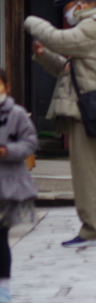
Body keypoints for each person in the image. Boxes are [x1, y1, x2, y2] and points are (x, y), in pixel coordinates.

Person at [23, 0, 96, 248]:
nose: (67, 14)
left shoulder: (95, 27)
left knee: (87, 176)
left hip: (86, 111)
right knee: (91, 175)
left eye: (67, 9)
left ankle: (95, 230)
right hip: (90, 109)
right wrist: (44, 56)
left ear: (82, 5)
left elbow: (58, 39)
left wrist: (31, 21)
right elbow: (69, 71)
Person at [0, 68, 38, 302]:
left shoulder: (16, 114)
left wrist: (8, 151)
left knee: (0, 236)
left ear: (6, 87)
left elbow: (30, 142)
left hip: (8, 187)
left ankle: (3, 288)